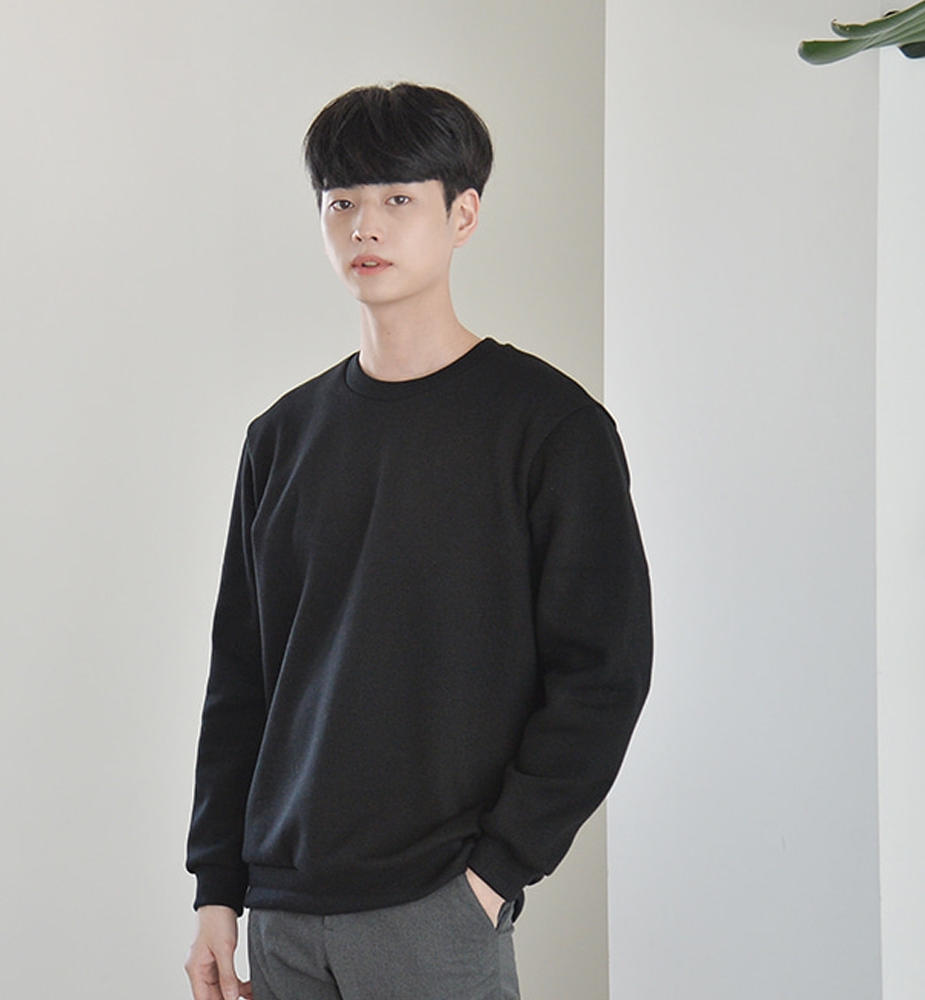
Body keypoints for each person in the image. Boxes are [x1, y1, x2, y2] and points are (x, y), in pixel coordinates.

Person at [185, 82, 652, 1000]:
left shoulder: (549, 426)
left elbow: (604, 673)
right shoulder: (280, 438)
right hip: (281, 914)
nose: (366, 226)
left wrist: (495, 873)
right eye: (343, 202)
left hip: (436, 906)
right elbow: (242, 680)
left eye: (399, 198)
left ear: (462, 214)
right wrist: (217, 889)